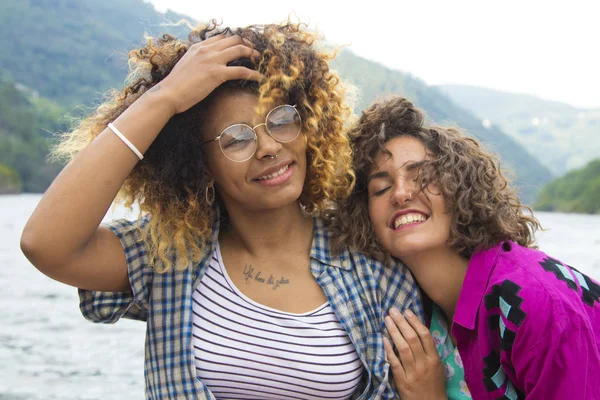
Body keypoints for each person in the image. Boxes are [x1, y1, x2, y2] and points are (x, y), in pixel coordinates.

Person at [20, 22, 423, 399]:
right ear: (202, 165)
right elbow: (46, 244)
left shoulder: (374, 270)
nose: (267, 147)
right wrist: (166, 98)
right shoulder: (167, 256)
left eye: (281, 120)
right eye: (235, 139)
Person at [331, 96, 600, 399]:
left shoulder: (536, 303)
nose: (401, 193)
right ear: (364, 216)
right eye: (381, 188)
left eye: (421, 176)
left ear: (459, 188)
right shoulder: (412, 311)